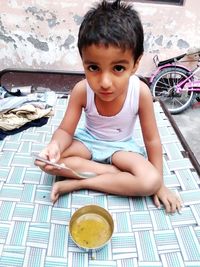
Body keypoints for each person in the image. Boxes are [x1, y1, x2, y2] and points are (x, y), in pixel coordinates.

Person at [35, 0, 182, 213]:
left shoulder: (140, 92)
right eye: (93, 67)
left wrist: (159, 183)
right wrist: (54, 147)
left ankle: (80, 183)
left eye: (118, 68)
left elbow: (152, 140)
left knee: (150, 181)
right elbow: (66, 130)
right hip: (88, 143)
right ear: (83, 61)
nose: (104, 82)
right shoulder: (81, 90)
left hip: (121, 148)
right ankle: (115, 175)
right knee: (50, 165)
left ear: (136, 64)